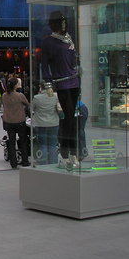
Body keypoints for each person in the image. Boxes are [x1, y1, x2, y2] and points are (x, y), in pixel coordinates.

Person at [42, 10, 80, 168]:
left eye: (65, 21)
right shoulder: (49, 42)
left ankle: (71, 152)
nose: (64, 24)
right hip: (62, 83)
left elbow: (74, 59)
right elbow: (44, 64)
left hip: (74, 81)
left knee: (72, 119)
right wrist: (48, 83)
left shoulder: (69, 38)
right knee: (68, 118)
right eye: (61, 21)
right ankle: (65, 152)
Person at [2, 77, 30, 169]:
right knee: (23, 141)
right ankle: (25, 161)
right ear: (15, 85)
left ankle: (13, 162)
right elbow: (27, 104)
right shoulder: (20, 95)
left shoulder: (4, 95)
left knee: (11, 142)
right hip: (19, 121)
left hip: (9, 121)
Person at [31, 82, 60, 165]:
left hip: (41, 124)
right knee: (52, 145)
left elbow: (31, 109)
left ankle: (43, 163)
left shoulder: (37, 98)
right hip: (54, 123)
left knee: (43, 145)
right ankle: (53, 163)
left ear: (40, 87)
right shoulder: (55, 96)